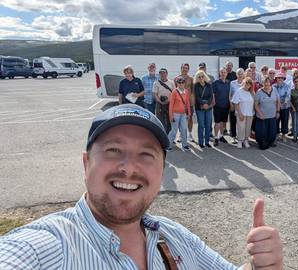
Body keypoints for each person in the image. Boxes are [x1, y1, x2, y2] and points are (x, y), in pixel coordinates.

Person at [0, 103, 283, 269]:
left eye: (146, 154)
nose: (129, 167)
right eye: (113, 150)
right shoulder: (46, 248)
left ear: (162, 171)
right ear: (87, 164)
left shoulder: (174, 237)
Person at [255, 77, 280, 150]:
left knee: (272, 132)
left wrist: (278, 111)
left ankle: (270, 142)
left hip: (272, 115)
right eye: (264, 82)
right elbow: (256, 105)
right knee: (262, 132)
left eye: (268, 82)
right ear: (262, 83)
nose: (266, 84)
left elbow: (278, 101)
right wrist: (260, 114)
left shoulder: (274, 90)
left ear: (270, 83)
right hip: (262, 116)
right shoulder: (259, 92)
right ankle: (262, 143)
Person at [168, 77, 191, 151]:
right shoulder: (174, 92)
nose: (181, 84)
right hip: (175, 114)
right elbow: (171, 104)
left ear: (184, 83)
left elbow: (187, 103)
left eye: (182, 82)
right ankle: (168, 145)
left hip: (183, 114)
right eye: (179, 82)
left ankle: (184, 145)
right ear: (177, 83)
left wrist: (189, 113)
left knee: (184, 129)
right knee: (174, 130)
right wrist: (171, 116)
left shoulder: (186, 91)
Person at [232, 78, 255, 149]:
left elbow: (255, 103)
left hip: (250, 113)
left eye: (249, 84)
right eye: (246, 83)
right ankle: (240, 141)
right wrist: (239, 113)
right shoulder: (239, 91)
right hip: (241, 113)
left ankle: (246, 140)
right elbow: (235, 103)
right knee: (241, 127)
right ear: (243, 83)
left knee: (248, 128)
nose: (247, 85)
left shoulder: (252, 92)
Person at [193, 70, 215, 148]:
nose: (201, 78)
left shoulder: (209, 85)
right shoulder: (196, 85)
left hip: (208, 107)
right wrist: (203, 103)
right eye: (199, 77)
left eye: (202, 76)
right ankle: (201, 142)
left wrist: (207, 104)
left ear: (204, 76)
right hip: (199, 108)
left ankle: (207, 142)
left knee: (208, 125)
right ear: (197, 78)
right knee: (201, 125)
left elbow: (211, 96)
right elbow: (197, 97)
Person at [174, 63, 195, 142]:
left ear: (188, 69)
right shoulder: (176, 78)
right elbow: (175, 90)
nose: (185, 69)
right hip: (179, 102)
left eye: (186, 68)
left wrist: (192, 102)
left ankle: (190, 134)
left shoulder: (191, 79)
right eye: (183, 68)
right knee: (179, 119)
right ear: (181, 68)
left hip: (189, 102)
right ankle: (180, 135)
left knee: (190, 119)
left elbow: (192, 91)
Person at [153, 67, 175, 134]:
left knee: (169, 120)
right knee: (160, 120)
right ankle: (161, 135)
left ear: (167, 74)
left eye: (164, 73)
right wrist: (160, 101)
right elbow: (154, 94)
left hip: (169, 103)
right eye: (161, 73)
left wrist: (168, 100)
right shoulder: (156, 83)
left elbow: (174, 93)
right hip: (159, 104)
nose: (163, 74)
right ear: (159, 74)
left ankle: (169, 136)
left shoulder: (171, 82)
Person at [213, 68, 231, 146]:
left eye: (224, 72)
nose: (223, 74)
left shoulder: (228, 82)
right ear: (219, 73)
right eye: (222, 72)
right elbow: (213, 93)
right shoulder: (215, 83)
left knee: (223, 122)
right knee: (217, 122)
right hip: (217, 105)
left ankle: (221, 136)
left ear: (226, 73)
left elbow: (230, 94)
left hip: (226, 105)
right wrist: (213, 102)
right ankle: (216, 138)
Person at [273, 72, 291, 143]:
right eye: (278, 78)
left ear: (284, 79)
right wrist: (277, 103)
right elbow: (273, 96)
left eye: (281, 78)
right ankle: (277, 134)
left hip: (285, 107)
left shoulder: (287, 86)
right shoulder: (273, 86)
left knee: (285, 121)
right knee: (276, 121)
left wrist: (282, 102)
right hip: (275, 107)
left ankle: (284, 135)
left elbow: (288, 96)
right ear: (276, 79)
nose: (280, 79)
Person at [229, 68, 245, 142]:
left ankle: (241, 137)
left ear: (243, 74)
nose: (240, 75)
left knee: (241, 121)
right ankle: (233, 136)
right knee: (233, 121)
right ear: (236, 74)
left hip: (243, 105)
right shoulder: (232, 83)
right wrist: (231, 104)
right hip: (234, 104)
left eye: (241, 73)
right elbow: (230, 95)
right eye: (239, 73)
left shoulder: (245, 82)